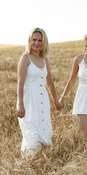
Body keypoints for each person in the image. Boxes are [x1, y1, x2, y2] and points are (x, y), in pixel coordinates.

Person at [16, 28, 62, 156]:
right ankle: (28, 162)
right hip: (28, 100)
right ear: (30, 41)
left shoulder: (44, 60)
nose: (37, 43)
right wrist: (20, 104)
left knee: (45, 132)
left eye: (40, 40)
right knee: (32, 136)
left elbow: (50, 82)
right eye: (34, 40)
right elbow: (20, 82)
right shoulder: (25, 58)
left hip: (42, 101)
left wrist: (56, 101)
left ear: (44, 42)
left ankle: (42, 165)